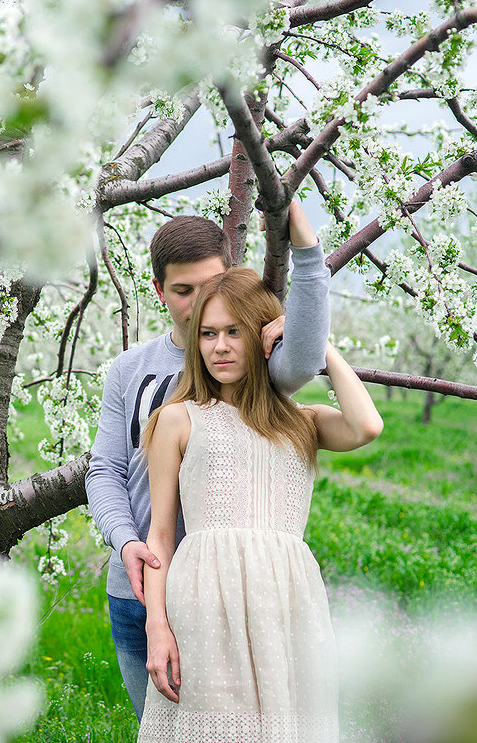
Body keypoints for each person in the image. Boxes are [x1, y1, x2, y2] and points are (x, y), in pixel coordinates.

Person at [85, 201, 330, 719]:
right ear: (159, 291)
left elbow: (308, 357)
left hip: (221, 595)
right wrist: (125, 539)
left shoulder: (253, 363)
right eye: (183, 291)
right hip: (138, 588)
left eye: (212, 284)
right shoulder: (131, 370)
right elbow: (105, 468)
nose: (200, 304)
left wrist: (306, 250)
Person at [137, 268, 383, 742]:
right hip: (205, 602)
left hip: (288, 603)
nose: (220, 347)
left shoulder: (303, 423)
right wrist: (157, 627)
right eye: (208, 334)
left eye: (235, 332)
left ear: (264, 336)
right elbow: (161, 537)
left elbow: (366, 426)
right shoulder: (178, 419)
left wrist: (316, 344)